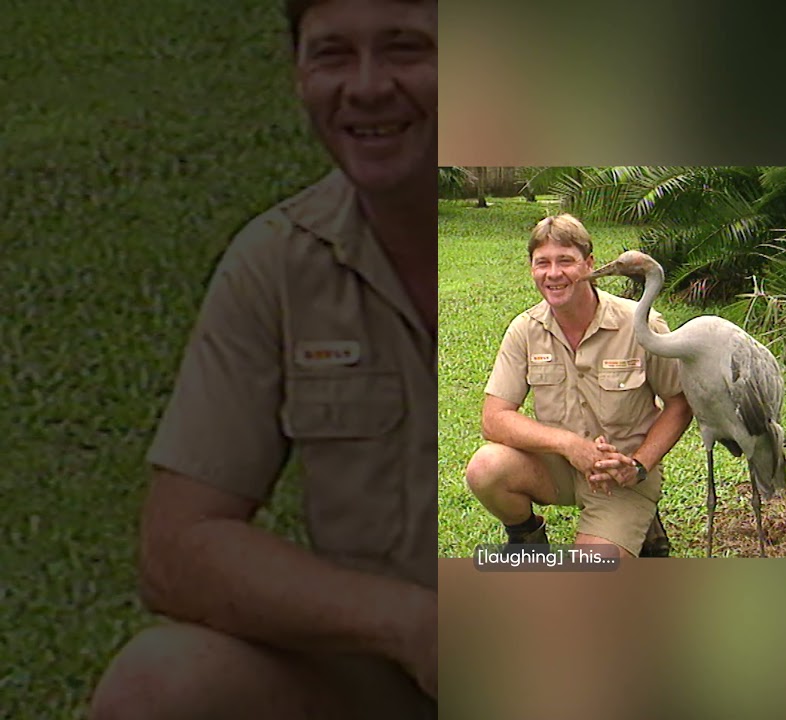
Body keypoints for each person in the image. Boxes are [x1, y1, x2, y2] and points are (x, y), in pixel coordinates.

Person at [88, 1, 438, 717]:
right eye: (333, 55)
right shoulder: (279, 263)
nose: (367, 87)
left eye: (406, 49)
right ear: (298, 75)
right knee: (159, 686)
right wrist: (412, 625)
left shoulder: (584, 243)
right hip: (403, 674)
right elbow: (179, 544)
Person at [464, 214, 694, 559]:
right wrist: (569, 445)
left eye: (566, 261)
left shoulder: (641, 325)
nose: (553, 274)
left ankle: (642, 522)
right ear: (531, 269)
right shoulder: (525, 329)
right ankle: (526, 536)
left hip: (620, 476)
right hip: (559, 466)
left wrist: (639, 465)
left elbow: (679, 404)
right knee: (485, 468)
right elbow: (493, 418)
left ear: (589, 264)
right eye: (542, 263)